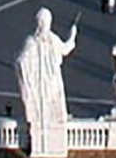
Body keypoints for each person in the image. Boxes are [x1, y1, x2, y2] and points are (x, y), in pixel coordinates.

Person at [15, 8, 77, 142]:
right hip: (51, 82)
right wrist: (72, 37)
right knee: (52, 108)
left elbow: (21, 61)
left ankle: (47, 136)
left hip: (43, 83)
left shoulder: (33, 41)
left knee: (48, 110)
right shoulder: (51, 39)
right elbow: (66, 49)